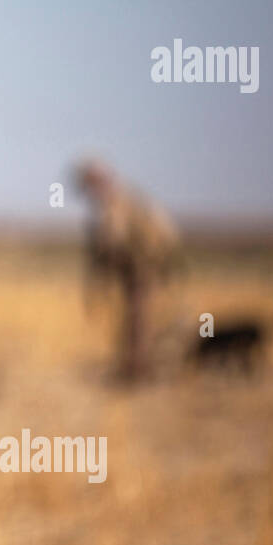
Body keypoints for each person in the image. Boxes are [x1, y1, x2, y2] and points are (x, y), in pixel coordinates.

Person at [74, 158, 179, 383]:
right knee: (135, 316)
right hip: (139, 265)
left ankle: (137, 370)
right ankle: (134, 366)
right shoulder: (123, 198)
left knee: (137, 317)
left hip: (140, 265)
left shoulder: (115, 202)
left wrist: (101, 267)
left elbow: (113, 239)